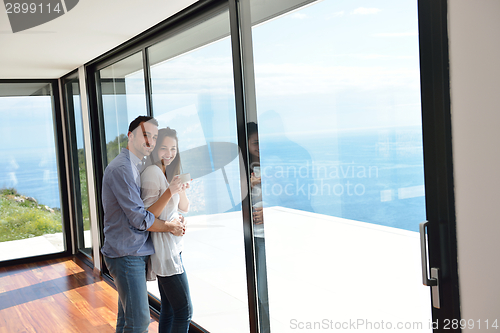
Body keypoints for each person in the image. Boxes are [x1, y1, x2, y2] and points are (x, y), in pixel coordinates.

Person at [101, 116, 185, 333]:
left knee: (127, 321)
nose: (151, 141)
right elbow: (140, 219)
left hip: (131, 251)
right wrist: (169, 226)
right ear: (131, 136)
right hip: (126, 253)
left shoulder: (135, 166)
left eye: (154, 137)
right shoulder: (123, 169)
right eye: (146, 135)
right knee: (139, 323)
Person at [141, 127, 193, 333]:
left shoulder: (167, 171)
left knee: (170, 309)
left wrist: (182, 191)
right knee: (184, 311)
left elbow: (184, 208)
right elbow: (148, 214)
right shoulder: (152, 172)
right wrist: (171, 191)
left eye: (173, 148)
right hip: (165, 251)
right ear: (155, 149)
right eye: (164, 148)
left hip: (172, 248)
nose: (169, 153)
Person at [247, 122, 270, 333]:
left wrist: (269, 213)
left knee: (264, 293)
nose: (259, 146)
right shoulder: (244, 170)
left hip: (266, 238)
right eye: (255, 143)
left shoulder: (275, 166)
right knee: (253, 292)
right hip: (248, 238)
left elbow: (295, 198)